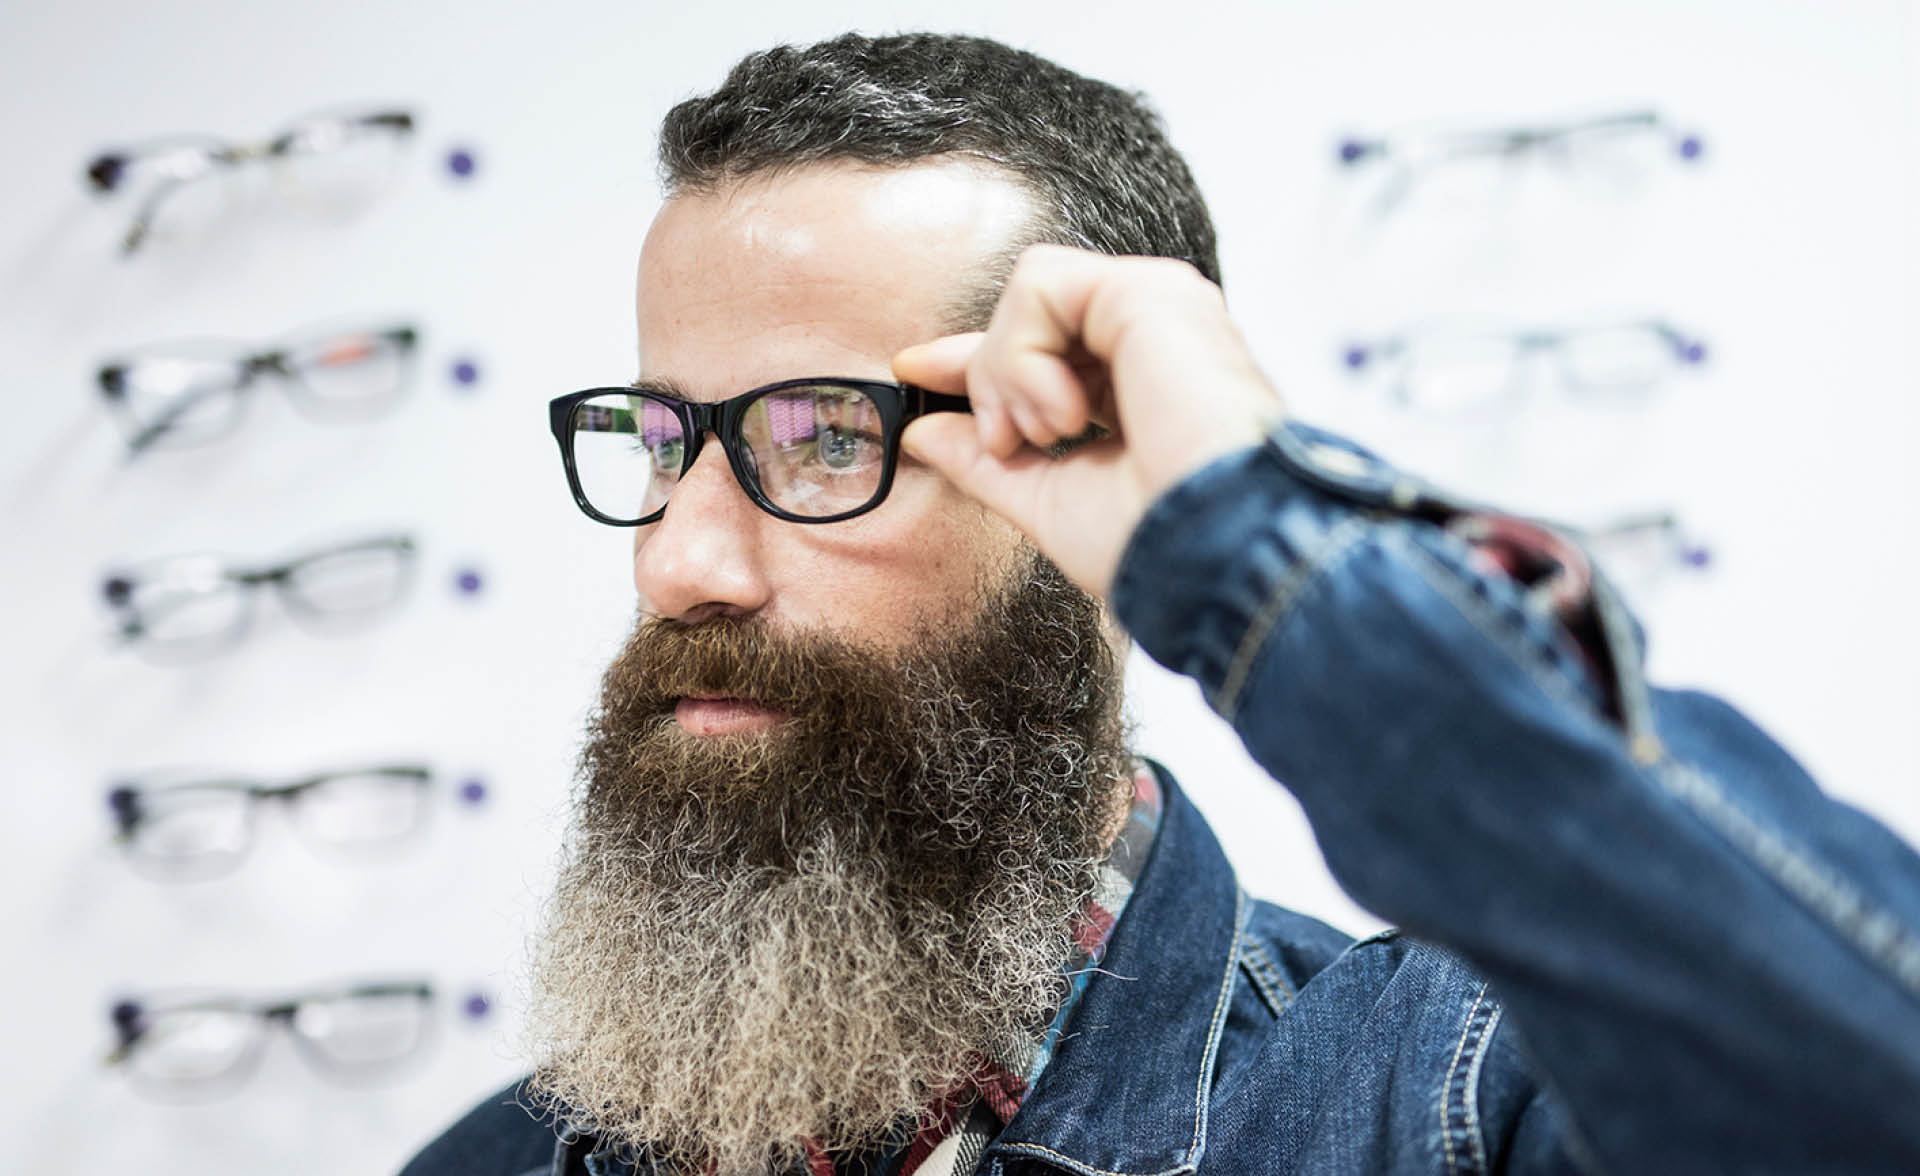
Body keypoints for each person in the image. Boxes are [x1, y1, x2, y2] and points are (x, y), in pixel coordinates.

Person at [401, 31, 1920, 1176]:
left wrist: (1249, 536)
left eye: (827, 440)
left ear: (1094, 470)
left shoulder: (1440, 1106)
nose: (683, 562)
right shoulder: (492, 1160)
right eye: (663, 443)